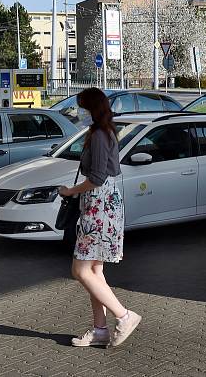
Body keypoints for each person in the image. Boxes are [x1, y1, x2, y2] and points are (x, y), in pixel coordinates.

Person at [57, 87, 141, 348]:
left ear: (91, 109)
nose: (79, 112)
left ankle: (124, 316)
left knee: (80, 270)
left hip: (100, 206)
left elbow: (96, 178)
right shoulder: (104, 132)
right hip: (102, 204)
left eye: (81, 107)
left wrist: (70, 191)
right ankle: (100, 330)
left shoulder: (99, 136)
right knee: (94, 270)